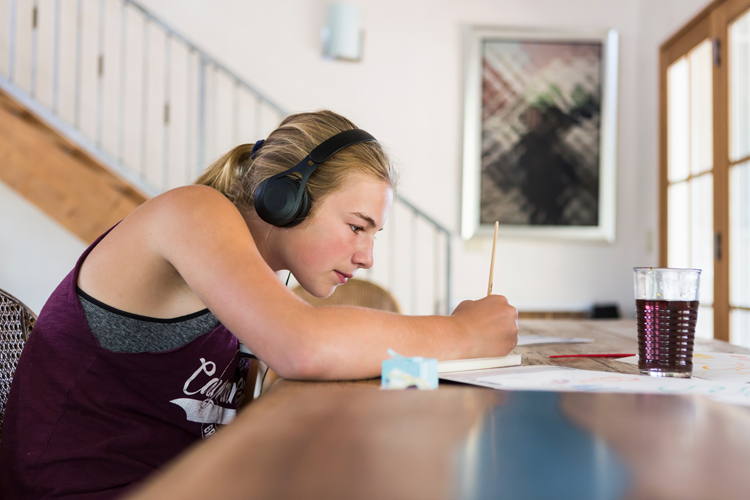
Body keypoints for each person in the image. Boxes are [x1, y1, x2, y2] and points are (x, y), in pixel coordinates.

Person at [0, 110, 518, 499]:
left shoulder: (246, 276)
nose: (367, 257)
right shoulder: (189, 213)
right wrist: (464, 334)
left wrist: (418, 372)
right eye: (357, 226)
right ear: (285, 197)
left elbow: (288, 368)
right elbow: (304, 345)